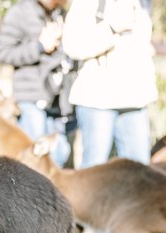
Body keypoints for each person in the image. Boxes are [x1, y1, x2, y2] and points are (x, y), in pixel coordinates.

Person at [62, 0, 158, 168]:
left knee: (141, 175)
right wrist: (111, 28)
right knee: (95, 172)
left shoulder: (143, 4)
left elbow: (143, 46)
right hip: (96, 100)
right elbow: (72, 45)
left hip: (135, 100)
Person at [0, 0, 74, 167]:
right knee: (34, 160)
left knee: (60, 154)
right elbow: (3, 53)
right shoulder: (19, 13)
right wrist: (39, 46)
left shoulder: (60, 13)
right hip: (31, 99)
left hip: (57, 100)